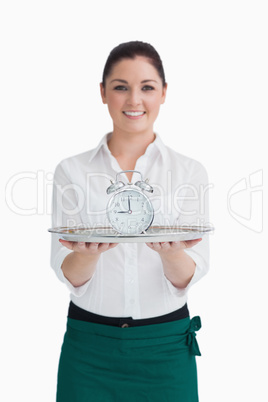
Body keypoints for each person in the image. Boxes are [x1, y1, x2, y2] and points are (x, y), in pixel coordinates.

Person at [50, 41, 210, 401]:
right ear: (103, 93)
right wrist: (88, 255)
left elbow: (191, 272)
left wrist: (170, 254)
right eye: (121, 87)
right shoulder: (72, 171)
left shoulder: (189, 172)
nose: (134, 100)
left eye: (147, 87)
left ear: (164, 93)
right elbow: (67, 272)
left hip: (166, 349)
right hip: (88, 350)